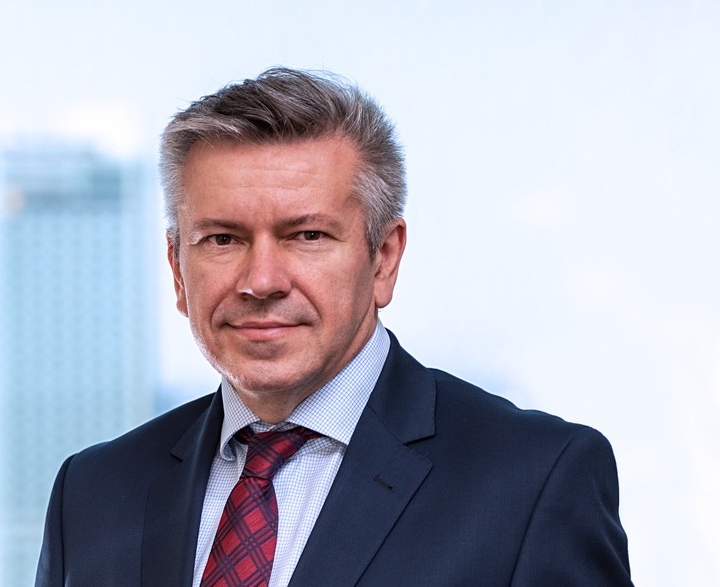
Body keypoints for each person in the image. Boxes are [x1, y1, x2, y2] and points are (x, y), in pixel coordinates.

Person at [35, 67, 632, 586]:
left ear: (384, 258)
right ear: (176, 270)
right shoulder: (91, 494)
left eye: (307, 235)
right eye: (222, 239)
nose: (261, 281)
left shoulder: (534, 482)